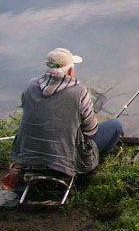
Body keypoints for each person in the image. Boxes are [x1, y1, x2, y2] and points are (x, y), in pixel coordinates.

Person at [8, 48, 123, 179]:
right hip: (65, 164)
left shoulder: (30, 86)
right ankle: (92, 168)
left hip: (26, 160)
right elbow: (91, 131)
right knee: (114, 125)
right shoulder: (79, 91)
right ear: (70, 71)